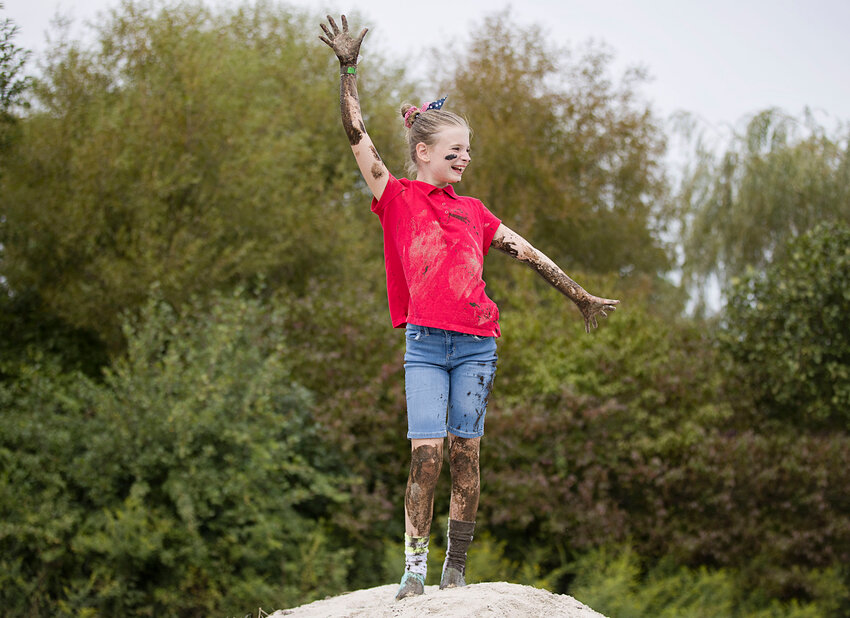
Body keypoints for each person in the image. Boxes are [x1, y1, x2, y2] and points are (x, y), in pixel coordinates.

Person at [319, 15, 619, 601]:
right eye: (456, 151)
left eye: (469, 152)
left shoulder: (475, 211)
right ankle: (413, 569)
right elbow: (357, 137)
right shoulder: (395, 197)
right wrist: (348, 69)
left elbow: (526, 253)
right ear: (424, 151)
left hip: (477, 345)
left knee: (466, 454)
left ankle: (456, 568)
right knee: (425, 457)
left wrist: (580, 296)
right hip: (425, 346)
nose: (465, 159)